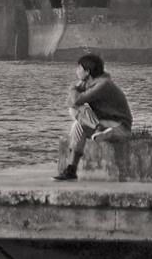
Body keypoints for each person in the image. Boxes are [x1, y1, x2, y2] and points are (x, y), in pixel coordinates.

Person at [53, 53, 133, 181]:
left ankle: (100, 129)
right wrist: (78, 89)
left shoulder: (104, 85)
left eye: (79, 68)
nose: (76, 71)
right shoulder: (88, 83)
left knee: (78, 112)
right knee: (77, 122)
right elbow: (71, 103)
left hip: (120, 127)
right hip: (103, 124)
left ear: (87, 71)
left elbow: (76, 99)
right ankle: (71, 170)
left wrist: (73, 88)